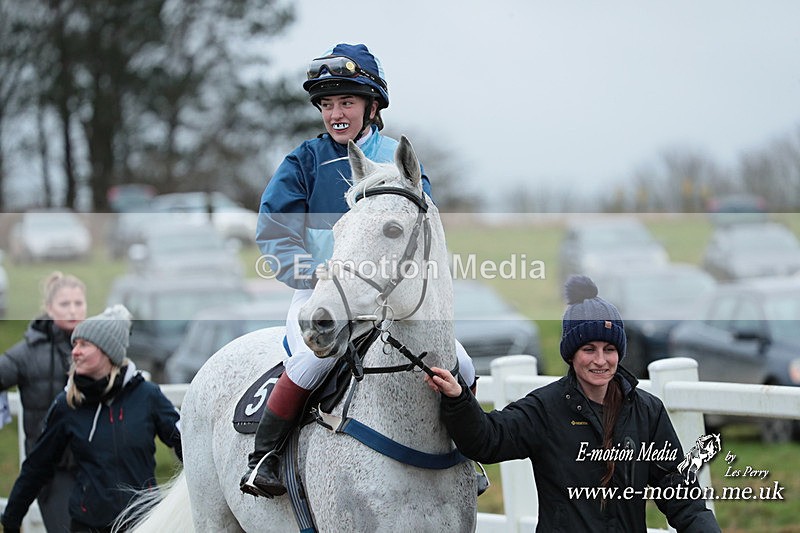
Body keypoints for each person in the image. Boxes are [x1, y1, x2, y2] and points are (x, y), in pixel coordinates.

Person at [241, 42, 476, 498]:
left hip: (387, 298)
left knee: (460, 364)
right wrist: (308, 271)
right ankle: (264, 458)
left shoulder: (400, 158)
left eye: (346, 101)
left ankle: (464, 454)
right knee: (312, 359)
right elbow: (273, 227)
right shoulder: (304, 161)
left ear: (372, 106)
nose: (336, 113)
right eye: (327, 105)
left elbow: (425, 226)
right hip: (322, 292)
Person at [425, 275, 721, 532]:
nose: (601, 360)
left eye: (609, 349)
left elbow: (683, 498)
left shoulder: (647, 412)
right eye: (589, 349)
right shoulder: (545, 409)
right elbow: (488, 439)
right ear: (571, 353)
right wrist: (459, 398)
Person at [0, 305, 182, 533]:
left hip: (143, 523)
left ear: (108, 352)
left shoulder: (147, 396)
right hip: (88, 525)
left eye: (84, 344)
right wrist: (12, 518)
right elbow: (37, 466)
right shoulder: (67, 405)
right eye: (74, 344)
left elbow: (186, 441)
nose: (75, 351)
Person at [0, 272, 88, 532]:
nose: (72, 309)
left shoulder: (98, 349)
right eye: (64, 304)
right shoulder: (28, 352)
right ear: (49, 308)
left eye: (78, 303)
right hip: (52, 470)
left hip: (94, 463)